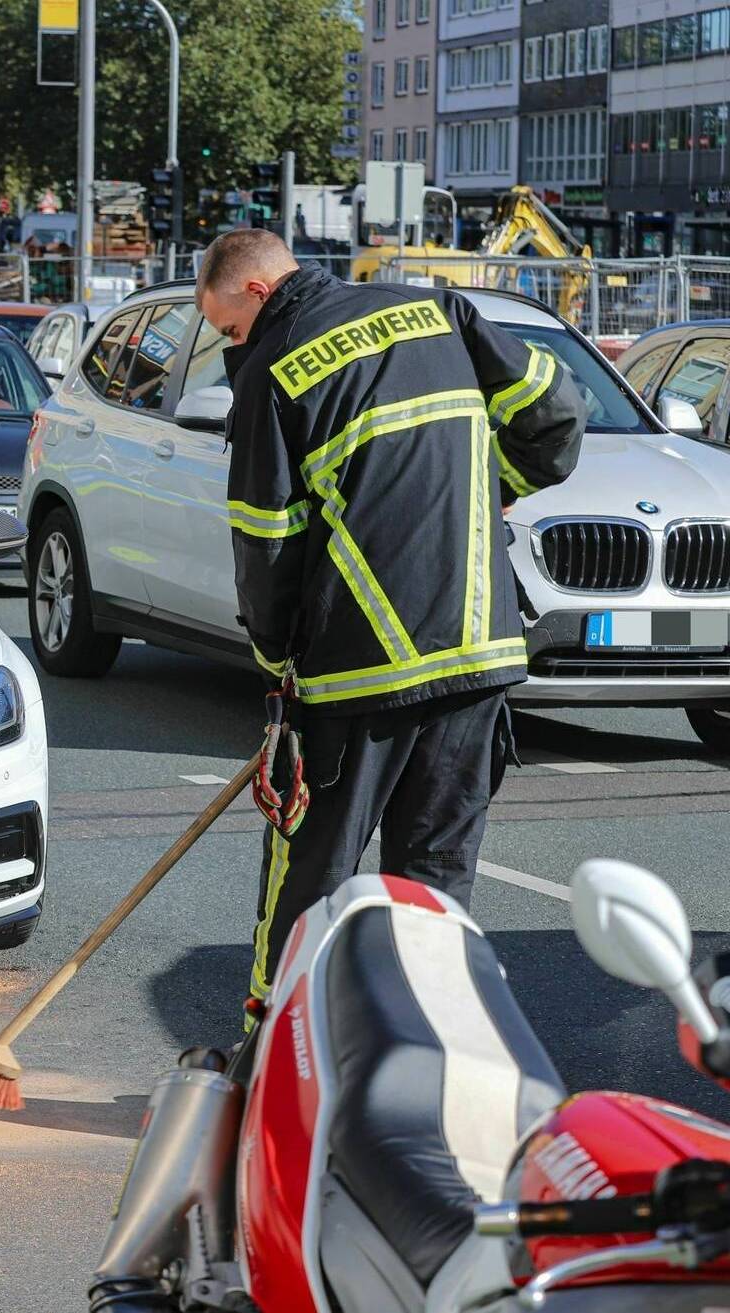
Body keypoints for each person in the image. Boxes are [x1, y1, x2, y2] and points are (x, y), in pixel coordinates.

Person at [196, 228, 586, 1031]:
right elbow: (556, 415)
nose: (234, 346)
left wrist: (275, 665)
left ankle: (268, 1056)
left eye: (230, 328)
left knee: (310, 882)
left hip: (357, 673)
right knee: (433, 888)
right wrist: (494, 486)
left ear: (259, 293)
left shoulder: (275, 369)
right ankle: (429, 1060)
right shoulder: (439, 311)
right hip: (477, 654)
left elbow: (266, 546)